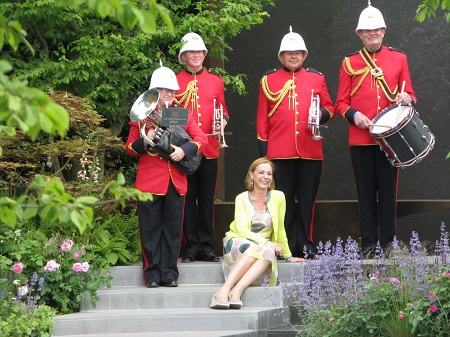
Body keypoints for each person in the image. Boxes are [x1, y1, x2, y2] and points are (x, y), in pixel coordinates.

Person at [335, 2, 416, 257]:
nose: (372, 33)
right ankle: (369, 246)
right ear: (359, 34)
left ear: (384, 31)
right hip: (361, 138)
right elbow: (340, 103)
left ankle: (390, 246)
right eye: (367, 30)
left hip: (391, 140)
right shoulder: (349, 63)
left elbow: (412, 94)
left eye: (377, 29)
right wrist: (354, 115)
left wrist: (406, 98)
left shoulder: (399, 58)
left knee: (389, 195)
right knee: (366, 195)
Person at [125, 64, 207, 288]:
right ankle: (151, 274)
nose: (170, 94)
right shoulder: (141, 116)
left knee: (172, 231)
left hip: (175, 180)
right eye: (164, 90)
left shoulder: (180, 114)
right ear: (154, 92)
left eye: (172, 90)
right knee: (150, 231)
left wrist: (184, 150)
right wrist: (146, 138)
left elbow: (202, 139)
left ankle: (170, 273)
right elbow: (130, 148)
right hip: (149, 180)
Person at [256, 26, 334, 259]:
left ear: (304, 55)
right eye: (289, 53)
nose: (294, 56)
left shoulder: (316, 78)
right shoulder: (269, 79)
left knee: (307, 201)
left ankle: (307, 244)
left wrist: (320, 114)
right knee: (282, 202)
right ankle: (285, 245)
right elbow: (262, 120)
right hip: (279, 153)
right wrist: (265, 157)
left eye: (298, 52)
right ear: (281, 56)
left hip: (310, 150)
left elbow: (331, 107)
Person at [210, 158, 305, 310]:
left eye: (269, 173)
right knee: (259, 249)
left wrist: (288, 256)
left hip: (262, 247)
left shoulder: (279, 197)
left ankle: (237, 291)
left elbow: (280, 228)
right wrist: (267, 243)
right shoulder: (241, 198)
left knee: (267, 252)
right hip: (238, 242)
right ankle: (223, 290)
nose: (266, 177)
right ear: (251, 175)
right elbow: (241, 229)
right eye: (261, 172)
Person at [175, 32, 230, 263]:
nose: (196, 55)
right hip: (184, 150)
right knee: (187, 200)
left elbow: (224, 111)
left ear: (204, 55)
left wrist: (223, 121)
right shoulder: (174, 81)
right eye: (191, 52)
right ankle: (190, 247)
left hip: (208, 149)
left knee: (207, 200)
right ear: (184, 56)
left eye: (200, 52)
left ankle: (206, 246)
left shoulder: (216, 80)